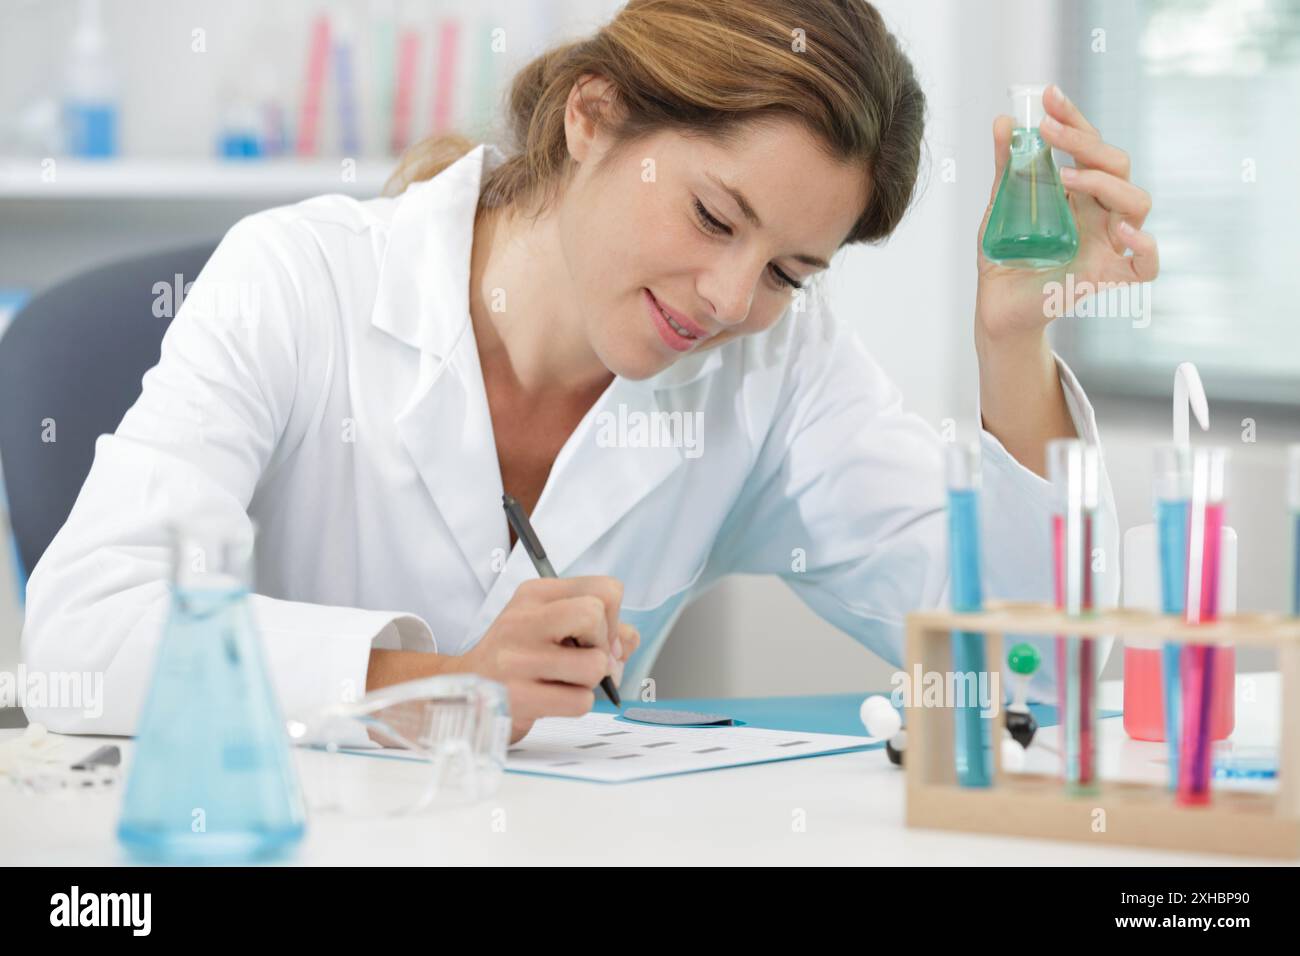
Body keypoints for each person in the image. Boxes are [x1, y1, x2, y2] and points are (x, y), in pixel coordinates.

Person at [22, 0, 1155, 743]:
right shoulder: (298, 280)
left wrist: (1015, 341)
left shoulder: (772, 363)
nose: (726, 299)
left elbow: (1046, 667)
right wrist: (436, 688)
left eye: (787, 269)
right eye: (714, 214)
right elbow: (84, 631)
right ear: (594, 117)